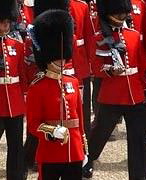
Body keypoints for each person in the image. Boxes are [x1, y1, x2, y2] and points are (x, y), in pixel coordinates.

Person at [82, 0, 146, 179]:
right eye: (117, 12)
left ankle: (139, 175)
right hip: (112, 95)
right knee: (100, 134)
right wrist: (110, 71)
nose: (121, 16)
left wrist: (144, 90)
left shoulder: (133, 35)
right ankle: (85, 161)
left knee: (138, 140)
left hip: (134, 94)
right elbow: (95, 67)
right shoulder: (98, 38)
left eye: (123, 12)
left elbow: (142, 65)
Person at [26, 9, 88, 180]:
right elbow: (33, 125)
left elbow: (80, 121)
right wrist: (52, 131)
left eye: (63, 57)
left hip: (74, 150)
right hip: (50, 151)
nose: (62, 60)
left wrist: (84, 148)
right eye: (57, 57)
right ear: (47, 56)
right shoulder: (37, 88)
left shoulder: (73, 82)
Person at [0, 0, 27, 179]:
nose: (7, 25)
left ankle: (15, 176)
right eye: (3, 22)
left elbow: (23, 74)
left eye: (9, 22)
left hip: (14, 102)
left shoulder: (16, 45)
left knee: (16, 144)